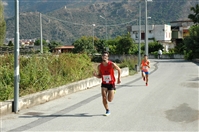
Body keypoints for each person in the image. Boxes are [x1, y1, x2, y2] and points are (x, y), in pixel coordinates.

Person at [94, 51, 121, 116]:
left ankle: (113, 91)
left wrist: (119, 79)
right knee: (104, 97)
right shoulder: (99, 66)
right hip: (104, 83)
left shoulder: (111, 64)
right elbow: (100, 76)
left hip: (111, 83)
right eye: (103, 56)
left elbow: (119, 69)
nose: (104, 57)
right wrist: (95, 75)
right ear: (102, 57)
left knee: (110, 100)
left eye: (106, 56)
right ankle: (107, 110)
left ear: (108, 57)